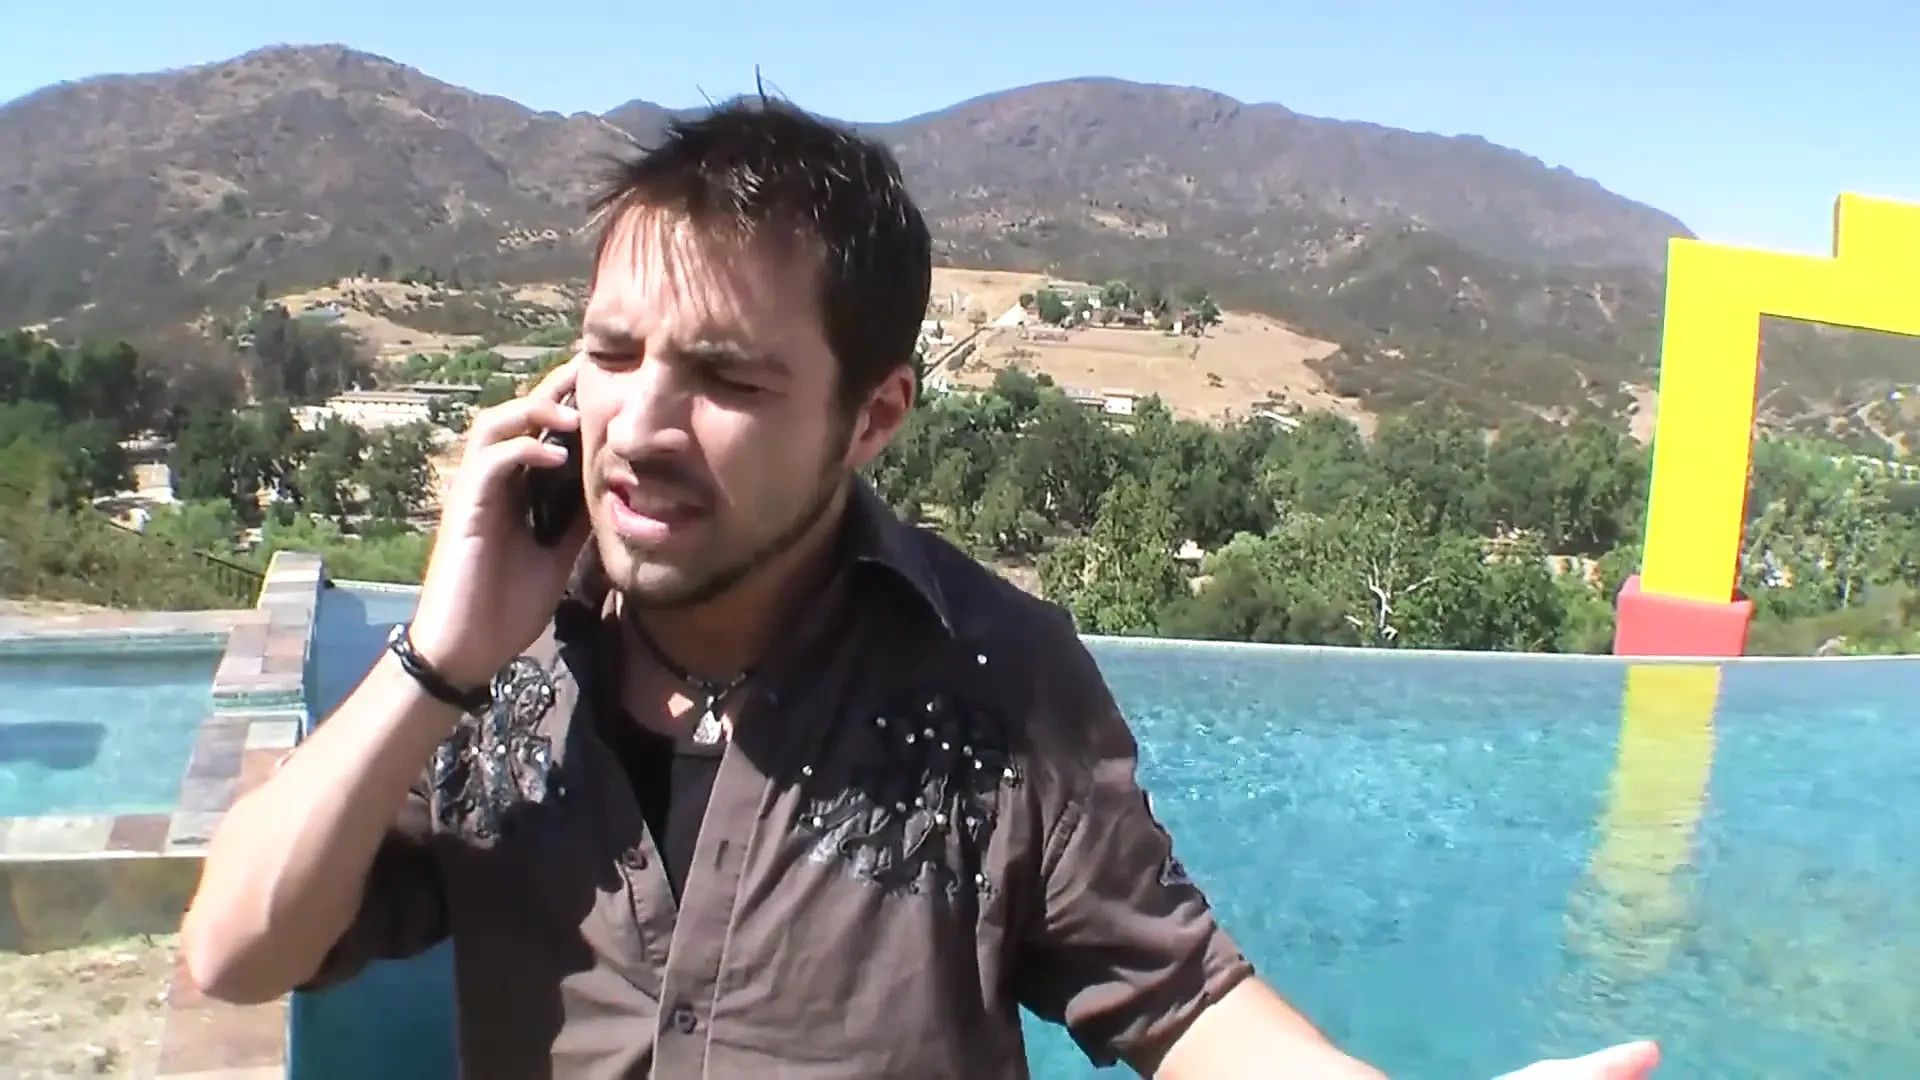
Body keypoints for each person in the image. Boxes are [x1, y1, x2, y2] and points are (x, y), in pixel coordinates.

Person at [180, 98, 1660, 1080]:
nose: (639, 424)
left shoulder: (990, 679)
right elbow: (236, 952)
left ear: (871, 417)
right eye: (613, 354)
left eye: (726, 378)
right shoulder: (501, 677)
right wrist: (440, 653)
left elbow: (1181, 1001)